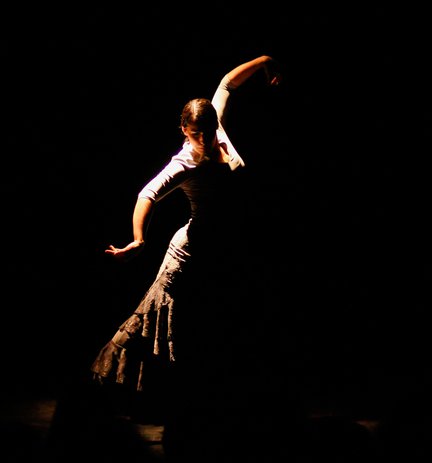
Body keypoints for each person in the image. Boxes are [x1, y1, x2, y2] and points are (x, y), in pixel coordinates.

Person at [89, 55, 283, 420]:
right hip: (190, 254)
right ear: (184, 130)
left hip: (223, 250)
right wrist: (139, 240)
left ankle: (200, 402)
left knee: (205, 328)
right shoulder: (185, 163)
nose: (204, 139)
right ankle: (118, 396)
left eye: (207, 131)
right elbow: (147, 194)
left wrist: (265, 62)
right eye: (196, 134)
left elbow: (227, 83)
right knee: (159, 325)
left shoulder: (216, 128)